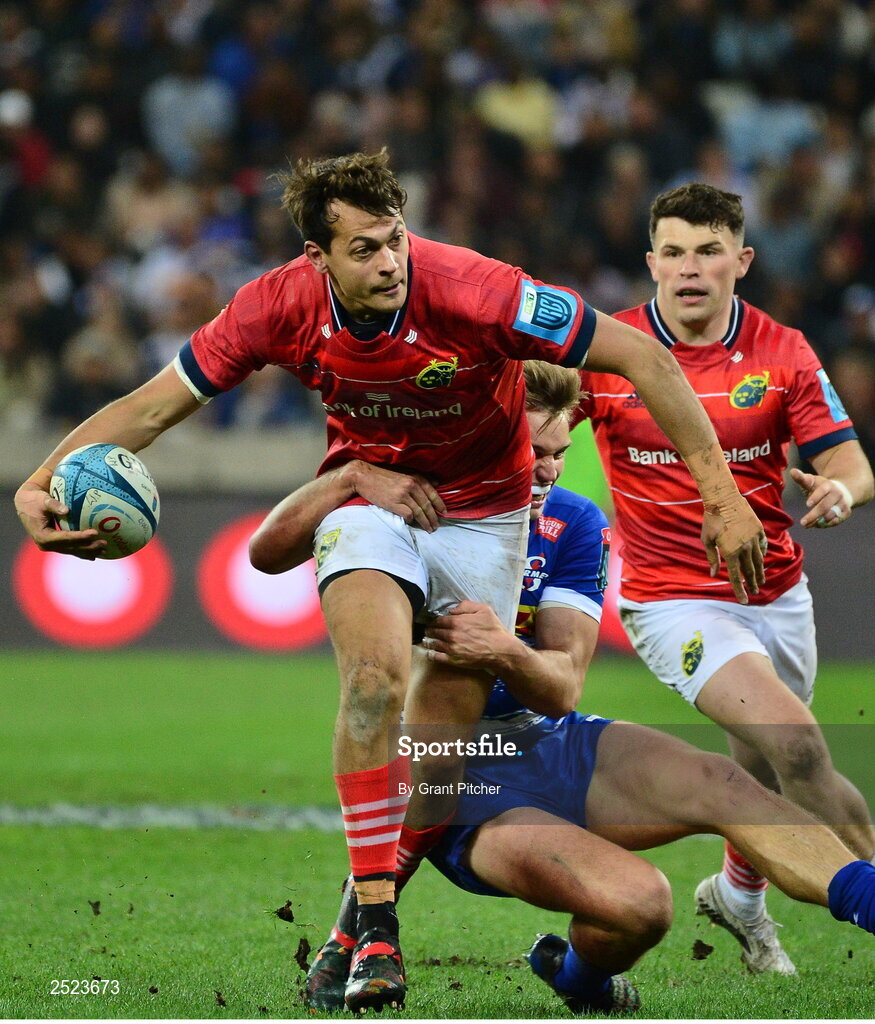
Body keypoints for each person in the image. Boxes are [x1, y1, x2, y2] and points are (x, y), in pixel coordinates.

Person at [14, 153, 766, 1014]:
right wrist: (41, 482)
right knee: (371, 681)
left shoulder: (479, 289)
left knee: (437, 757)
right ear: (315, 256)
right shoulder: (272, 308)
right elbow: (150, 407)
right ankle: (379, 928)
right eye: (365, 248)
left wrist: (722, 497)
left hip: (484, 516)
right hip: (370, 495)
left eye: (396, 240)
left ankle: (348, 920)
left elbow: (640, 354)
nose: (389, 263)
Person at [250, 361, 875, 1016]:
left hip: (551, 739)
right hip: (454, 786)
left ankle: (579, 978)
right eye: (533, 451)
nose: (549, 469)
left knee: (729, 787)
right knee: (644, 904)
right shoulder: (416, 505)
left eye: (559, 453)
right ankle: (364, 920)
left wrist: (501, 648)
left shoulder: (573, 522)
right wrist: (349, 475)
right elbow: (268, 550)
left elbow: (561, 688)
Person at [577, 182, 875, 975]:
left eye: (708, 251)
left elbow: (848, 463)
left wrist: (841, 489)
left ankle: (739, 898)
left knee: (764, 761)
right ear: (650, 262)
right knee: (799, 749)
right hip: (671, 599)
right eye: (672, 252)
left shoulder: (783, 351)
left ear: (740, 262)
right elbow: (536, 417)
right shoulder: (610, 349)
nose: (688, 269)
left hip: (776, 593)